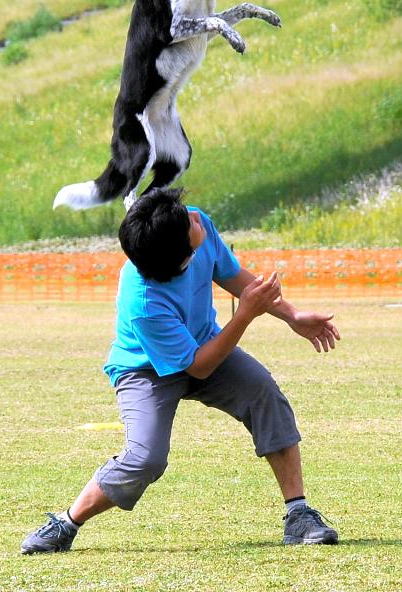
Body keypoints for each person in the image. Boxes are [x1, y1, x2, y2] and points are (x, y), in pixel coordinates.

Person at [21, 188, 340, 554]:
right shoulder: (144, 301)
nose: (194, 216)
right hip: (145, 371)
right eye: (188, 221)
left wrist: (292, 316)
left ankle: (298, 515)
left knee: (263, 392)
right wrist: (244, 315)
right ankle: (66, 522)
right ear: (182, 260)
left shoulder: (189, 223)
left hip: (205, 343)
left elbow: (234, 276)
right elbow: (200, 367)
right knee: (146, 459)